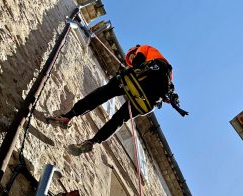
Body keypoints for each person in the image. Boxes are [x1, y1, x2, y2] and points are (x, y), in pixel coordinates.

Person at [47, 44, 188, 155]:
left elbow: (139, 61)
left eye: (131, 59)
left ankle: (69, 115)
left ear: (134, 51)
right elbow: (165, 90)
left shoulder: (144, 48)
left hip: (139, 80)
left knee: (103, 93)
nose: (131, 62)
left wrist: (131, 68)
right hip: (148, 101)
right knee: (119, 119)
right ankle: (93, 141)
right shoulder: (168, 76)